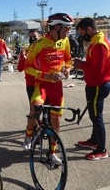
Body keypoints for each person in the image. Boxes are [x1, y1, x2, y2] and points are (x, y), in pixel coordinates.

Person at [23, 13, 74, 165]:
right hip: (42, 85)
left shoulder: (65, 41)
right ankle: (28, 134)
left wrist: (67, 69)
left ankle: (52, 152)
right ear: (56, 27)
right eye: (67, 28)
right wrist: (45, 75)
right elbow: (27, 68)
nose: (69, 32)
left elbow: (68, 59)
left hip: (57, 86)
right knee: (35, 108)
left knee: (56, 120)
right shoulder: (38, 44)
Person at [74, 17, 110, 160]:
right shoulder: (97, 41)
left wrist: (81, 65)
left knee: (96, 117)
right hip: (95, 84)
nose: (81, 36)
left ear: (88, 29)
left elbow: (98, 69)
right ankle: (94, 141)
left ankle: (101, 149)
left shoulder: (99, 44)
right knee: (95, 115)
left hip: (98, 85)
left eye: (81, 32)